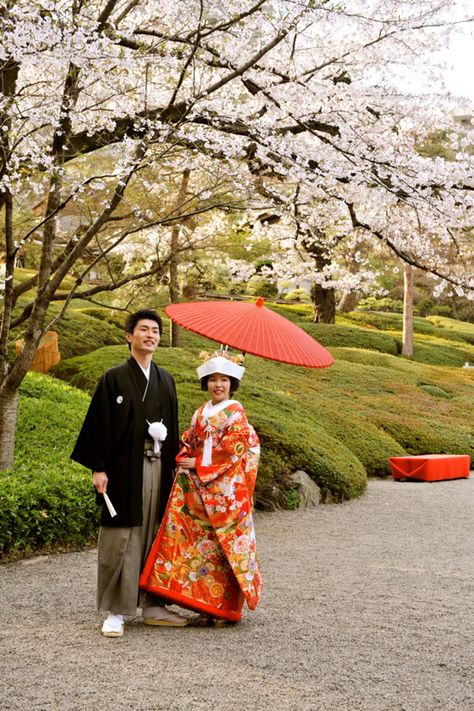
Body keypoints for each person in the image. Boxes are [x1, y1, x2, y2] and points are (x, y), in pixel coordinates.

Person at [71, 309, 188, 637]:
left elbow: (175, 425)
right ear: (129, 336)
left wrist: (178, 461)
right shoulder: (114, 378)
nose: (150, 335)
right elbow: (99, 425)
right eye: (144, 330)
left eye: (155, 331)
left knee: (154, 532)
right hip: (123, 470)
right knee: (122, 534)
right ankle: (117, 610)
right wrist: (99, 467)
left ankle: (153, 604)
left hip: (159, 466)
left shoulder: (166, 379)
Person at [140, 350, 262, 625]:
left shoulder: (236, 414)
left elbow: (234, 451)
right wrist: (185, 457)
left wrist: (199, 465)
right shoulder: (200, 412)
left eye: (224, 380)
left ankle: (225, 609)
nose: (218, 385)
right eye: (213, 379)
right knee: (199, 547)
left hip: (225, 494)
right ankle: (203, 604)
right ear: (205, 383)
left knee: (222, 548)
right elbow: (189, 441)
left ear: (232, 384)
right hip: (199, 491)